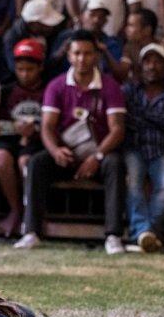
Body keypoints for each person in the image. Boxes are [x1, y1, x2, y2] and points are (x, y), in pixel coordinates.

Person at [15, 30, 126, 254]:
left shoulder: (110, 86)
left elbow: (117, 129)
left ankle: (113, 235)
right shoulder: (56, 85)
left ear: (96, 55)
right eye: (77, 53)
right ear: (69, 55)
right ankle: (31, 232)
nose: (82, 59)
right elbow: (46, 126)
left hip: (98, 154)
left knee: (114, 164)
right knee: (37, 162)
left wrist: (97, 156)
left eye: (87, 53)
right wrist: (55, 151)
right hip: (66, 154)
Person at [123, 44, 164, 253]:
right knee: (134, 184)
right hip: (134, 147)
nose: (152, 66)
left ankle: (143, 233)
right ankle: (146, 233)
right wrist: (152, 119)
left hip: (163, 149)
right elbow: (126, 119)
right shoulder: (129, 90)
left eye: (157, 61)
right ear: (141, 66)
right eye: (148, 61)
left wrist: (141, 116)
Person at [0, 39, 46, 238]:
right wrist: (2, 127)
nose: (24, 74)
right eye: (20, 69)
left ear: (40, 67)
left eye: (29, 69)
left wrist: (35, 129)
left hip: (37, 140)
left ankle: (30, 214)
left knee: (26, 162)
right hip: (11, 138)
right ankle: (15, 209)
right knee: (0, 158)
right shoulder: (7, 91)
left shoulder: (49, 90)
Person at [49, 0, 126, 81]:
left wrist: (105, 52)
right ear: (82, 16)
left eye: (101, 17)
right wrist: (62, 51)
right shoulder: (65, 37)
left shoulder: (112, 43)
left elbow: (119, 76)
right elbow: (48, 69)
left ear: (105, 21)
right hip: (65, 85)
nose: (96, 20)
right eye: (92, 15)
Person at [0, 0, 64, 83]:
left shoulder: (50, 33)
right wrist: (56, 58)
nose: (50, 27)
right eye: (45, 24)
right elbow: (14, 68)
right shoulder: (12, 38)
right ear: (33, 24)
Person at [121, 9, 164, 83]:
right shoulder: (130, 46)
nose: (126, 29)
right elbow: (121, 74)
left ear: (147, 30)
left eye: (131, 25)